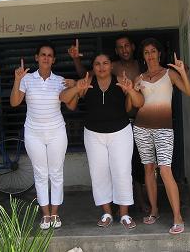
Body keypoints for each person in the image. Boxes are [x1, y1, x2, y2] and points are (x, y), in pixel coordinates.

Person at [61, 53, 144, 229]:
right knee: (99, 174)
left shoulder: (121, 81)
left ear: (111, 66)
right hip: (93, 134)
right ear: (93, 67)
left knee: (122, 172)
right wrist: (77, 88)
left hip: (121, 133)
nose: (101, 67)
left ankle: (124, 214)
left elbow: (139, 102)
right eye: (97, 64)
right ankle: (106, 212)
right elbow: (66, 100)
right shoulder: (86, 82)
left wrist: (130, 90)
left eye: (105, 63)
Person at [10, 42, 78, 230]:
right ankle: (45, 215)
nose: (46, 58)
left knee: (56, 173)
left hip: (57, 132)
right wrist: (17, 80)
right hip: (33, 133)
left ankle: (55, 213)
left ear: (53, 60)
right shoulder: (26, 79)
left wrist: (76, 89)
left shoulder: (60, 80)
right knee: (40, 174)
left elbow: (71, 106)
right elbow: (15, 102)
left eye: (49, 55)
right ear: (37, 58)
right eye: (43, 54)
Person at [133, 38, 190, 235]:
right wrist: (132, 90)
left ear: (159, 54)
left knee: (165, 170)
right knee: (148, 169)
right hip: (141, 128)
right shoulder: (139, 77)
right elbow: (136, 104)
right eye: (146, 52)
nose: (150, 55)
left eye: (153, 51)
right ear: (143, 56)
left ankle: (178, 217)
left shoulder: (170, 74)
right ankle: (154, 210)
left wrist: (183, 72)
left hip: (163, 129)